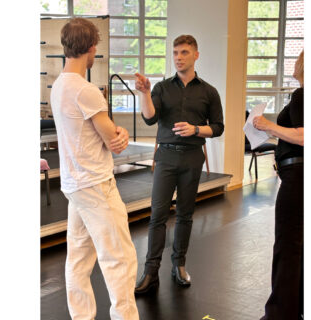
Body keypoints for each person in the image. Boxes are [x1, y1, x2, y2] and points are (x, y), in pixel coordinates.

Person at [50, 18, 139, 320]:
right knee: (120, 259)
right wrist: (121, 134)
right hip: (96, 184)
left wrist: (115, 134)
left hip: (76, 185)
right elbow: (114, 140)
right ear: (91, 48)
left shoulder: (59, 85)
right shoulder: (85, 90)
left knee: (79, 258)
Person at [133, 35, 224, 294]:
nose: (178, 57)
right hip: (166, 157)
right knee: (157, 216)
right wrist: (145, 93)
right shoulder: (161, 88)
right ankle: (151, 272)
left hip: (192, 157)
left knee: (185, 215)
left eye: (184, 52)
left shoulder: (209, 91)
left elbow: (218, 128)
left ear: (196, 55)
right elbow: (150, 118)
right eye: (175, 52)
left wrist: (196, 129)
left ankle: (179, 266)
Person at [252, 50, 305, 320]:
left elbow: (303, 135)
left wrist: (268, 126)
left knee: (288, 245)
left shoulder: (302, 95)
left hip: (298, 179)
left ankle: (280, 314)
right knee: (300, 245)